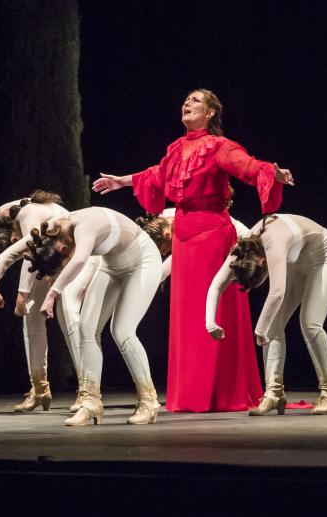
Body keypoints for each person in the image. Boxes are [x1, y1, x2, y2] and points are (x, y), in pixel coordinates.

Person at [93, 88, 294, 412]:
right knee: (188, 318)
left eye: (196, 100)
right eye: (186, 99)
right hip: (184, 241)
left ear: (211, 112)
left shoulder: (218, 147)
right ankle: (190, 393)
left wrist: (273, 173)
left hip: (213, 237)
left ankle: (221, 393)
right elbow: (157, 176)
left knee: (213, 312)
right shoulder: (175, 150)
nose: (187, 103)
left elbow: (248, 166)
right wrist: (123, 181)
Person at [0, 207, 161, 426]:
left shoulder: (84, 227)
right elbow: (12, 253)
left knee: (122, 331)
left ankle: (149, 401)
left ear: (62, 248)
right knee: (86, 328)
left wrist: (52, 294)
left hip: (143, 261)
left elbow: (79, 261)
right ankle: (91, 401)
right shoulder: (49, 231)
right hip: (112, 266)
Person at [0, 190, 92, 412]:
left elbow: (32, 251)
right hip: (47, 257)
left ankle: (88, 390)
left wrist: (21, 294)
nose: (14, 241)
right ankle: (39, 389)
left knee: (68, 315)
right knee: (32, 319)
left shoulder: (28, 212)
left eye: (11, 238)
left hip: (71, 255)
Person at [206, 214, 327, 415]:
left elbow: (277, 292)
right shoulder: (242, 249)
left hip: (326, 258)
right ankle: (274, 393)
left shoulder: (274, 244)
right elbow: (217, 284)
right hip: (297, 263)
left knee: (310, 323)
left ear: (262, 264)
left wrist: (260, 329)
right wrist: (210, 322)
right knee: (272, 326)